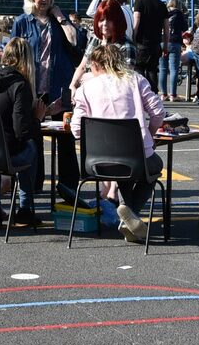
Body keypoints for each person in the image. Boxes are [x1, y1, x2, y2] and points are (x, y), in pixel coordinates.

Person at [70, 43, 165, 244]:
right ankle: (131, 213)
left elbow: (76, 129)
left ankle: (128, 216)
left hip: (97, 161)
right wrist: (150, 135)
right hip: (134, 156)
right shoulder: (135, 79)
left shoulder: (85, 89)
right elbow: (158, 112)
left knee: (122, 171)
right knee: (154, 166)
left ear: (95, 65)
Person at [0, 37, 46, 228]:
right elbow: (21, 130)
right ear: (27, 61)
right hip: (9, 152)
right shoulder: (20, 85)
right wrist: (38, 119)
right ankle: (25, 208)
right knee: (31, 144)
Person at [11, 0, 79, 106]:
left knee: (61, 125)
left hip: (58, 85)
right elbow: (13, 57)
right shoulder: (21, 22)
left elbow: (73, 40)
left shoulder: (59, 18)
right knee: (33, 124)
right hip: (31, 85)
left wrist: (60, 17)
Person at [70, 0, 134, 89]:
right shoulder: (96, 39)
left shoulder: (126, 46)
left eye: (109, 20)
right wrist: (73, 85)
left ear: (118, 22)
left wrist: (91, 77)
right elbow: (83, 66)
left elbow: (125, 81)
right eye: (101, 20)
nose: (104, 24)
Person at [132, 0, 169, 92]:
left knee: (139, 68)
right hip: (155, 44)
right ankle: (153, 95)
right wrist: (165, 46)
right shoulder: (162, 5)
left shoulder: (139, 2)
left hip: (141, 42)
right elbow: (167, 28)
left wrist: (133, 38)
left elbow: (136, 20)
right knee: (152, 70)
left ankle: (140, 94)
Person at [158, 0, 188, 102]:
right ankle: (173, 95)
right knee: (174, 69)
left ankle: (163, 94)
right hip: (174, 42)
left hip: (162, 41)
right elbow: (185, 28)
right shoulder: (179, 14)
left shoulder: (162, 13)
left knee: (162, 69)